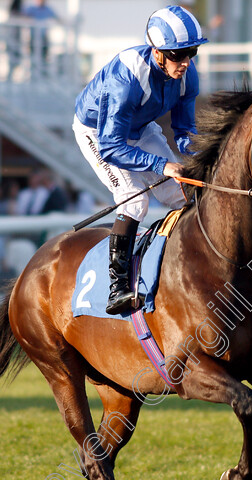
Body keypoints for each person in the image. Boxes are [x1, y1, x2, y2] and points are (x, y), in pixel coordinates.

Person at [73, 5, 207, 314]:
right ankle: (118, 287)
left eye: (192, 53)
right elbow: (111, 147)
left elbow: (185, 132)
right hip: (98, 134)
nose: (185, 62)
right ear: (157, 52)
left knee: (181, 194)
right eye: (178, 55)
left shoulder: (187, 76)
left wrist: (203, 160)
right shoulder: (127, 79)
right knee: (134, 202)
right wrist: (162, 165)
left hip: (139, 127)